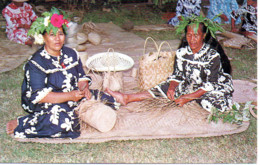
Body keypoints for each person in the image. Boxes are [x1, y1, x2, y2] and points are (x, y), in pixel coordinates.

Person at [6, 7, 119, 139]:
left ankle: (76, 107)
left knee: (109, 100)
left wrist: (84, 88)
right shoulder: (36, 63)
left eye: (60, 34)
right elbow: (40, 96)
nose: (57, 39)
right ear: (43, 37)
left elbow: (81, 77)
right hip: (47, 101)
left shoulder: (71, 53)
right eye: (52, 35)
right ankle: (23, 122)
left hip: (73, 94)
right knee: (62, 122)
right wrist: (70, 96)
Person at [107, 15, 234, 113]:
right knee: (165, 87)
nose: (192, 40)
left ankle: (194, 98)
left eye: (196, 35)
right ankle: (127, 97)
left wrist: (188, 97)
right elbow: (177, 76)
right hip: (191, 83)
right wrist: (172, 87)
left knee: (212, 102)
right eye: (189, 35)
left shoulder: (212, 56)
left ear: (204, 35)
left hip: (213, 85)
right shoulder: (181, 53)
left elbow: (210, 84)